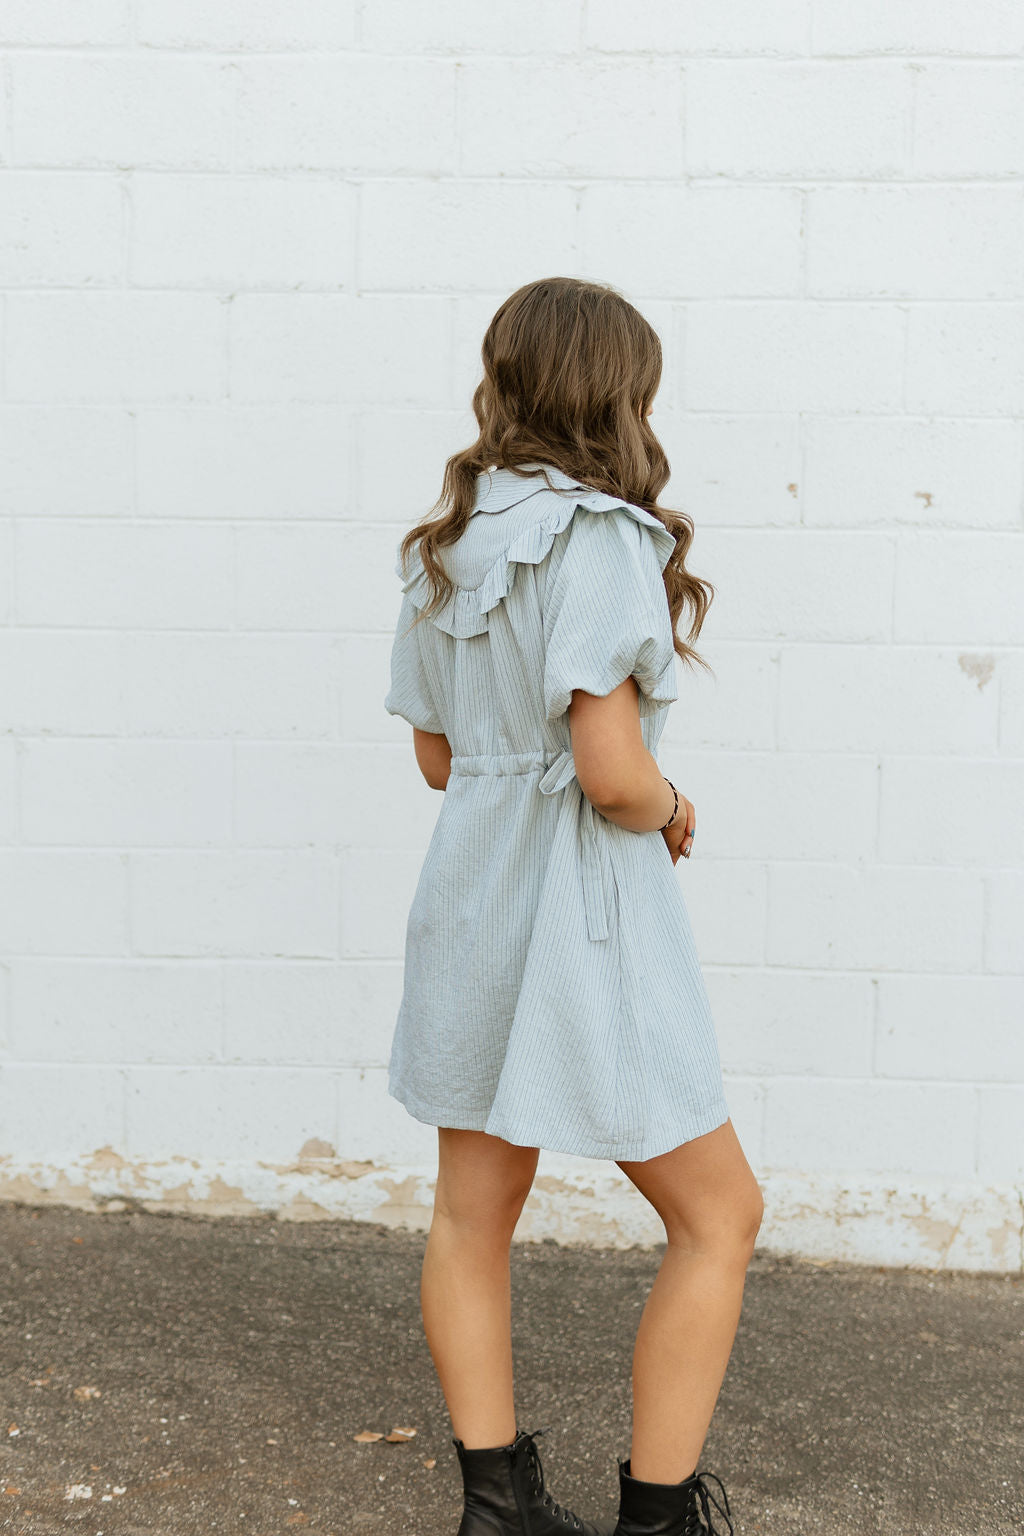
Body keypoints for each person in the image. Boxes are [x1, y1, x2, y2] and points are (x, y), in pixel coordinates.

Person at [383, 277, 764, 1536]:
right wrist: (671, 808)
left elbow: (440, 762)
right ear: (618, 395)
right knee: (719, 1213)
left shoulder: (450, 544)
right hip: (581, 914)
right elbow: (608, 775)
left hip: (473, 897)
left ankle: (497, 1509)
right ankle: (657, 1520)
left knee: (470, 1214)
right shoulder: (598, 538)